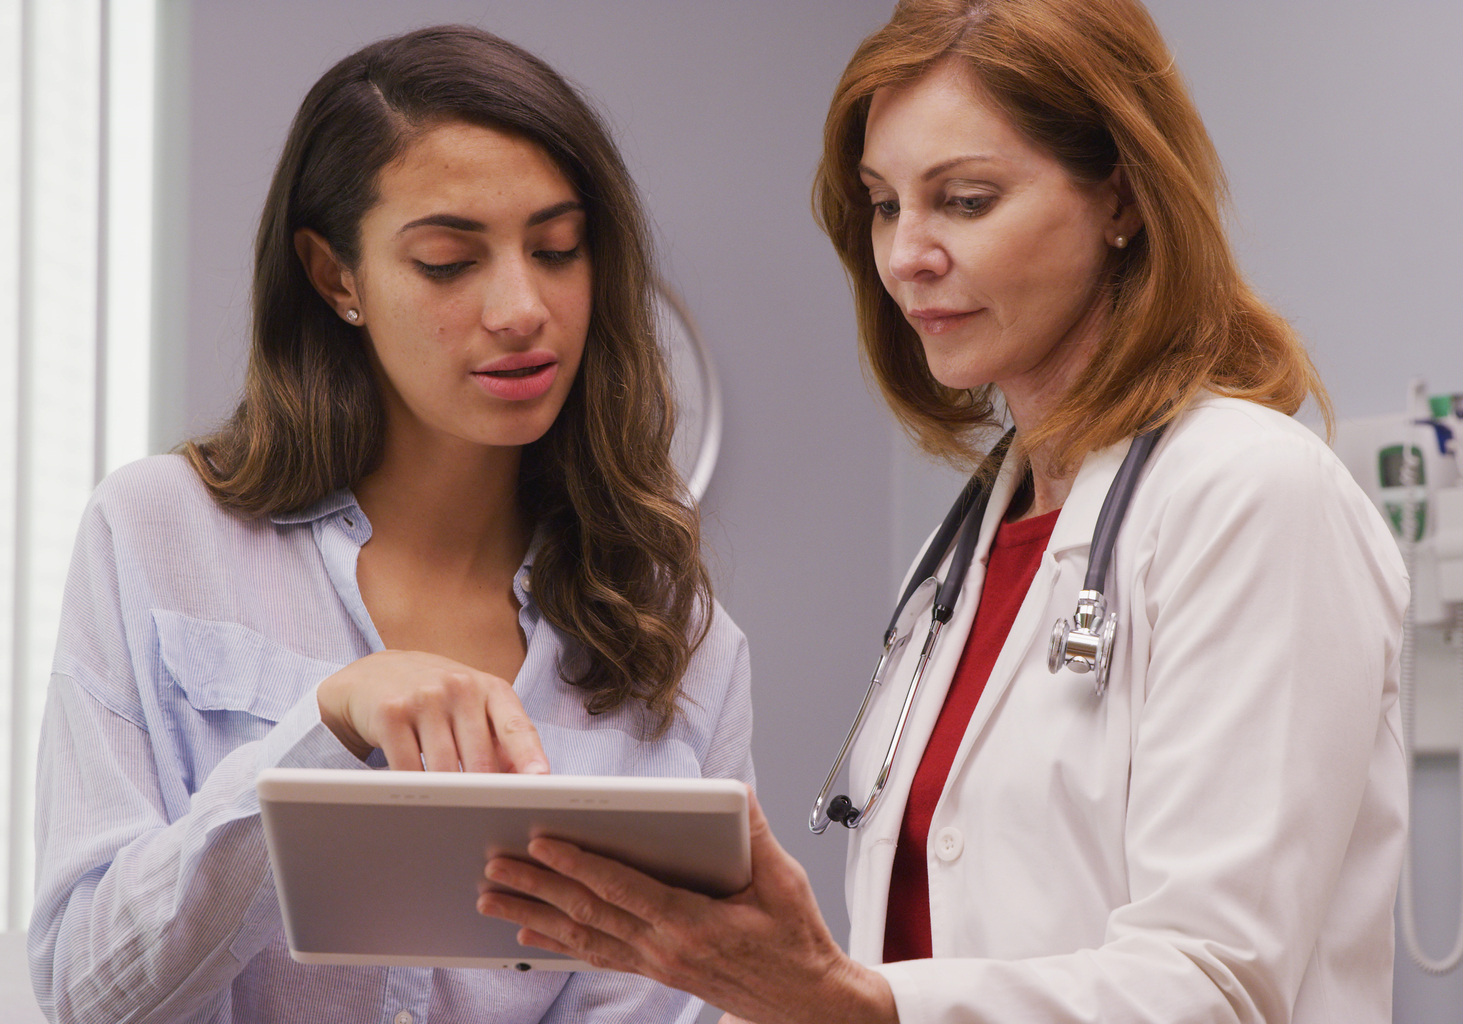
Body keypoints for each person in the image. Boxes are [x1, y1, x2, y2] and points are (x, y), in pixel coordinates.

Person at [475, 1, 1409, 1022]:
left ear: (1124, 198)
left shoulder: (1253, 497)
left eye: (964, 200)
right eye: (883, 204)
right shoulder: (965, 548)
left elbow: (1219, 984)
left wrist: (853, 1001)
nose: (905, 255)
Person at [27, 25, 752, 1024]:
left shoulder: (680, 633)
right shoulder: (154, 536)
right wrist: (320, 732)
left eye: (557, 250)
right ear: (336, 279)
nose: (521, 307)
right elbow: (89, 993)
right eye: (450, 262)